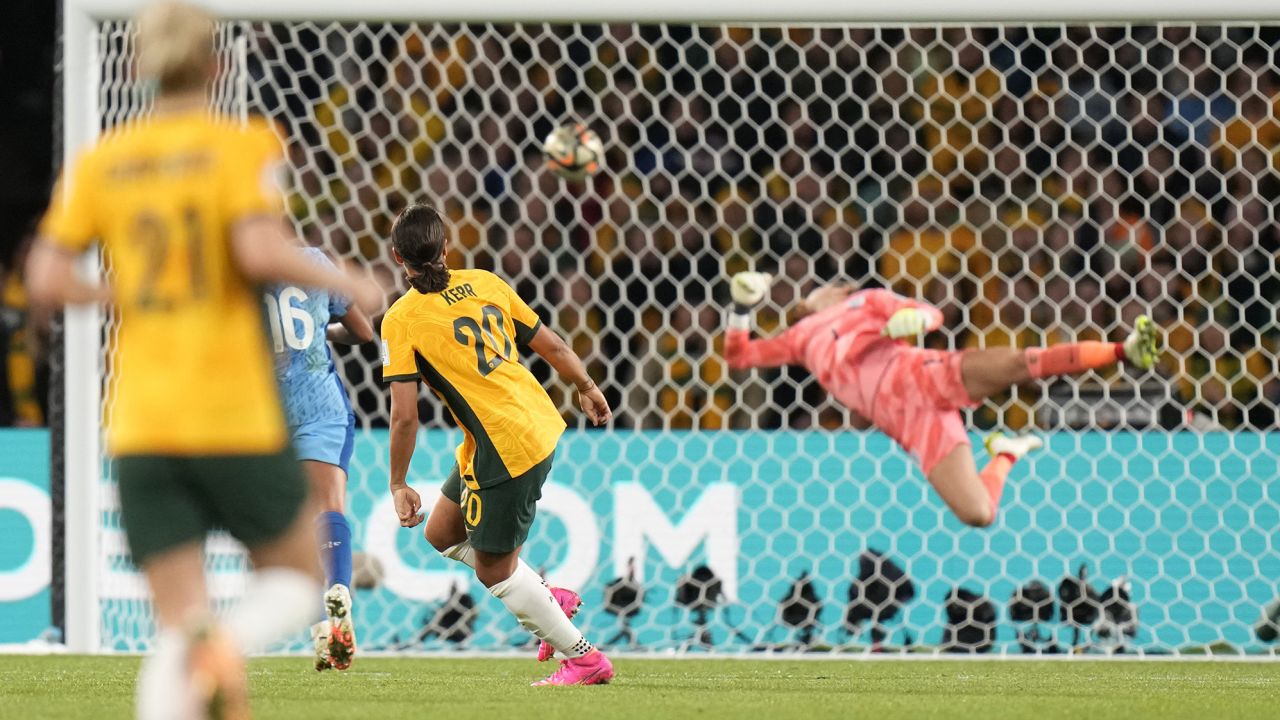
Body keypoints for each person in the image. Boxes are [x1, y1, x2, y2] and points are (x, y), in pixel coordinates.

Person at [24, 2, 380, 717]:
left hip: (141, 423)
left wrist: (116, 288)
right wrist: (347, 281)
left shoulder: (104, 163)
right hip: (232, 414)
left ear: (136, 66)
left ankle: (203, 647)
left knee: (176, 624)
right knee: (301, 576)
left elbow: (44, 280)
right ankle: (226, 642)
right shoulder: (244, 144)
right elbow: (256, 249)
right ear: (217, 64)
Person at [381, 203, 614, 686]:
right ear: (447, 248)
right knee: (441, 533)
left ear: (397, 258)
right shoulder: (485, 281)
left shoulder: (401, 319)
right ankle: (550, 598)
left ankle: (585, 658)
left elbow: (405, 415)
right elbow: (552, 346)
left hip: (507, 444)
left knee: (494, 572)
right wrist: (587, 386)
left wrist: (398, 481)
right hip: (528, 422)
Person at [723, 272, 1159, 528]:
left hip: (922, 376)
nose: (827, 291)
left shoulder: (866, 301)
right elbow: (739, 355)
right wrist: (740, 306)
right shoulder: (799, 339)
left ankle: (1123, 350)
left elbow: (929, 314)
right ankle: (1006, 453)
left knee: (1018, 365)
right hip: (909, 423)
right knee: (979, 514)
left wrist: (906, 321)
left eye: (835, 286)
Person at [263, 249, 374, 671]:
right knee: (330, 505)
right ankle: (340, 590)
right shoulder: (312, 261)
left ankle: (321, 634)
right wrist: (316, 331)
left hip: (268, 410)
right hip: (319, 405)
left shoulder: (239, 271)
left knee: (294, 527)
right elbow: (363, 332)